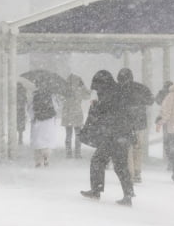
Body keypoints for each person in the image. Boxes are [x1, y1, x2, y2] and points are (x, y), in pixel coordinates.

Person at [80, 70, 135, 206]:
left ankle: (96, 190)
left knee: (98, 160)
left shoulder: (108, 94)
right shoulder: (119, 91)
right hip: (122, 134)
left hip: (113, 135)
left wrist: (95, 107)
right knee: (120, 165)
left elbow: (105, 113)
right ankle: (127, 194)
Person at [117, 68, 154, 183]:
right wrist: (139, 102)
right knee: (138, 148)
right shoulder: (141, 88)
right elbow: (151, 101)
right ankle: (137, 172)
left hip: (125, 123)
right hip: (140, 122)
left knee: (128, 149)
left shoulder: (119, 90)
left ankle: (130, 174)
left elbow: (114, 105)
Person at [28, 83, 59, 167]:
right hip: (49, 121)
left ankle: (38, 160)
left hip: (38, 121)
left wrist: (33, 117)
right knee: (47, 141)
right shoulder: (52, 96)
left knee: (37, 141)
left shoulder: (35, 96)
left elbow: (30, 109)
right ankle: (46, 157)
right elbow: (56, 108)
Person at [61, 73, 91, 158]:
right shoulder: (79, 89)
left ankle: (68, 153)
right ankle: (77, 153)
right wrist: (83, 86)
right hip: (77, 113)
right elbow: (88, 95)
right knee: (78, 135)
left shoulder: (64, 89)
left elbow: (60, 99)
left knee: (68, 135)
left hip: (67, 113)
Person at [154, 80, 174, 170]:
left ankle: (171, 160)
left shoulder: (163, 94)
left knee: (167, 141)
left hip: (166, 121)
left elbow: (157, 101)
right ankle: (173, 161)